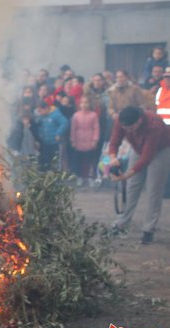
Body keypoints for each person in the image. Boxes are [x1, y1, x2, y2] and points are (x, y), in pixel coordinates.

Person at [109, 107, 170, 244]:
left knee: (154, 190)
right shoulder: (121, 120)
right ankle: (121, 223)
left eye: (130, 127)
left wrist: (125, 175)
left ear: (139, 120)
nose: (128, 130)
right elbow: (114, 140)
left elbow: (146, 158)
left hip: (161, 150)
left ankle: (149, 228)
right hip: (137, 148)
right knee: (132, 187)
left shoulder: (154, 124)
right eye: (125, 127)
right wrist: (113, 158)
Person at [70, 96, 100, 187]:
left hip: (89, 140)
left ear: (89, 104)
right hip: (79, 140)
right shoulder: (76, 115)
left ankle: (90, 178)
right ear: (79, 104)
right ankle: (80, 177)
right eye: (82, 102)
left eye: (86, 102)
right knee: (79, 160)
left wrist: (95, 140)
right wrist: (73, 140)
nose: (84, 104)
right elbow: (73, 129)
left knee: (90, 160)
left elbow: (96, 128)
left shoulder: (93, 115)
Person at [35, 100, 69, 170]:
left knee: (56, 161)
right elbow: (40, 127)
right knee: (47, 160)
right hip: (45, 143)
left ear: (46, 108)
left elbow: (65, 123)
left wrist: (58, 133)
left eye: (40, 111)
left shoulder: (56, 114)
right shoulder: (41, 117)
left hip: (55, 143)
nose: (39, 113)